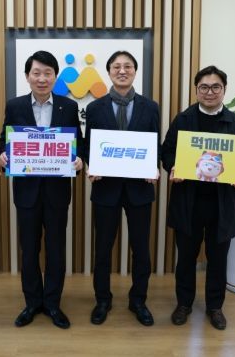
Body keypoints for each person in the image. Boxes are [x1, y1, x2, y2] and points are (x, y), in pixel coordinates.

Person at [161, 65, 235, 330]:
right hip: (189, 201)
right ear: (196, 90)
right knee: (186, 258)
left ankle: (215, 307)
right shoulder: (183, 120)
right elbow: (167, 151)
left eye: (216, 87)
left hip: (223, 203)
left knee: (218, 258)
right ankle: (184, 304)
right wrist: (173, 166)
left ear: (224, 90)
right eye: (204, 87)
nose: (210, 92)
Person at [0, 50, 83, 329]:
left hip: (57, 192)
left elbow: (78, 144)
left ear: (55, 77)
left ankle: (53, 303)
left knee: (56, 250)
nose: (42, 78)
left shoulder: (69, 107)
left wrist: (79, 161)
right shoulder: (15, 106)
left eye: (48, 73)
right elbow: (4, 139)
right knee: (29, 249)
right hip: (27, 193)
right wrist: (2, 155)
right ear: (27, 76)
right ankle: (33, 302)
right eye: (37, 73)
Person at [84, 51, 160, 326]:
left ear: (135, 72)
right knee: (103, 249)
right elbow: (88, 145)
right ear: (109, 72)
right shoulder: (95, 108)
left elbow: (155, 143)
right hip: (106, 188)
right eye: (116, 66)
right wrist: (91, 165)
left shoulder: (151, 107)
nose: (122, 70)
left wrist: (154, 167)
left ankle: (138, 300)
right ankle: (102, 300)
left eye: (128, 66)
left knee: (141, 249)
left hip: (140, 189)